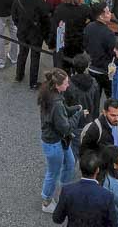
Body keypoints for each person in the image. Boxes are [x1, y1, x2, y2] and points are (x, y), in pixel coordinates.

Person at [39, 68, 84, 213]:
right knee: (53, 172)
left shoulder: (51, 93)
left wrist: (75, 109)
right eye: (65, 83)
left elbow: (64, 112)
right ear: (57, 85)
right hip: (54, 142)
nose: (68, 85)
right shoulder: (56, 104)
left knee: (70, 163)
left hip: (59, 140)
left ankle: (63, 192)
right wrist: (78, 114)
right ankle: (46, 201)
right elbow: (66, 127)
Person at [52, 150, 114, 226]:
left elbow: (57, 219)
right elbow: (112, 224)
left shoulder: (67, 191)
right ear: (97, 170)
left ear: (81, 168)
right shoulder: (107, 196)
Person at [13, 0, 52, 88]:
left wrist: (19, 25)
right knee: (35, 57)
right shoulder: (39, 1)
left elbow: (14, 16)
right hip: (36, 34)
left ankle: (19, 76)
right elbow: (46, 17)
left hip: (22, 32)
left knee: (22, 53)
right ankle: (33, 82)